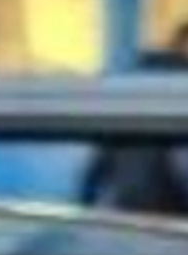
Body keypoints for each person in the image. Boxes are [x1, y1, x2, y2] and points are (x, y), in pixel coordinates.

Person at [81, 26, 188, 217]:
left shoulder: (138, 82)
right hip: (163, 215)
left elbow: (97, 166)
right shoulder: (175, 84)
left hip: (128, 213)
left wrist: (84, 209)